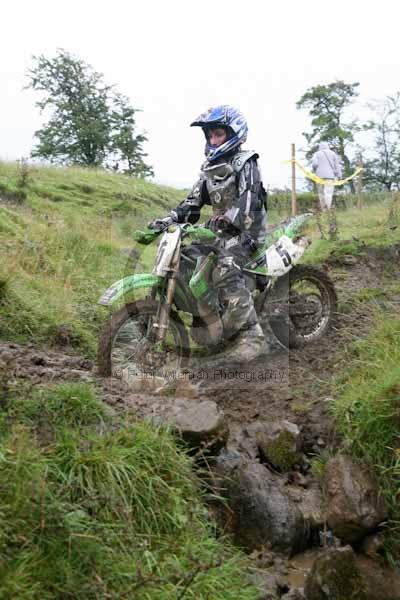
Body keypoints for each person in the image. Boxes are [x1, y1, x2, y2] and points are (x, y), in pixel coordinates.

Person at [149, 105, 268, 362]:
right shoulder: (210, 169)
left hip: (247, 233)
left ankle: (254, 337)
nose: (213, 140)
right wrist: (167, 219)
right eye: (210, 135)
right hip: (221, 234)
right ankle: (209, 320)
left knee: (225, 269)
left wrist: (230, 219)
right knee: (187, 260)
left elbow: (250, 201)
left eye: (218, 134)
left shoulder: (246, 162)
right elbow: (191, 203)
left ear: (233, 134)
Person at [311, 142, 343, 210]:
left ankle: (323, 209)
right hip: (330, 176)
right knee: (328, 192)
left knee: (321, 193)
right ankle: (328, 208)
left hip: (319, 176)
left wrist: (314, 170)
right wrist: (339, 175)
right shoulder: (333, 153)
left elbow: (315, 164)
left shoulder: (317, 154)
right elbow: (337, 166)